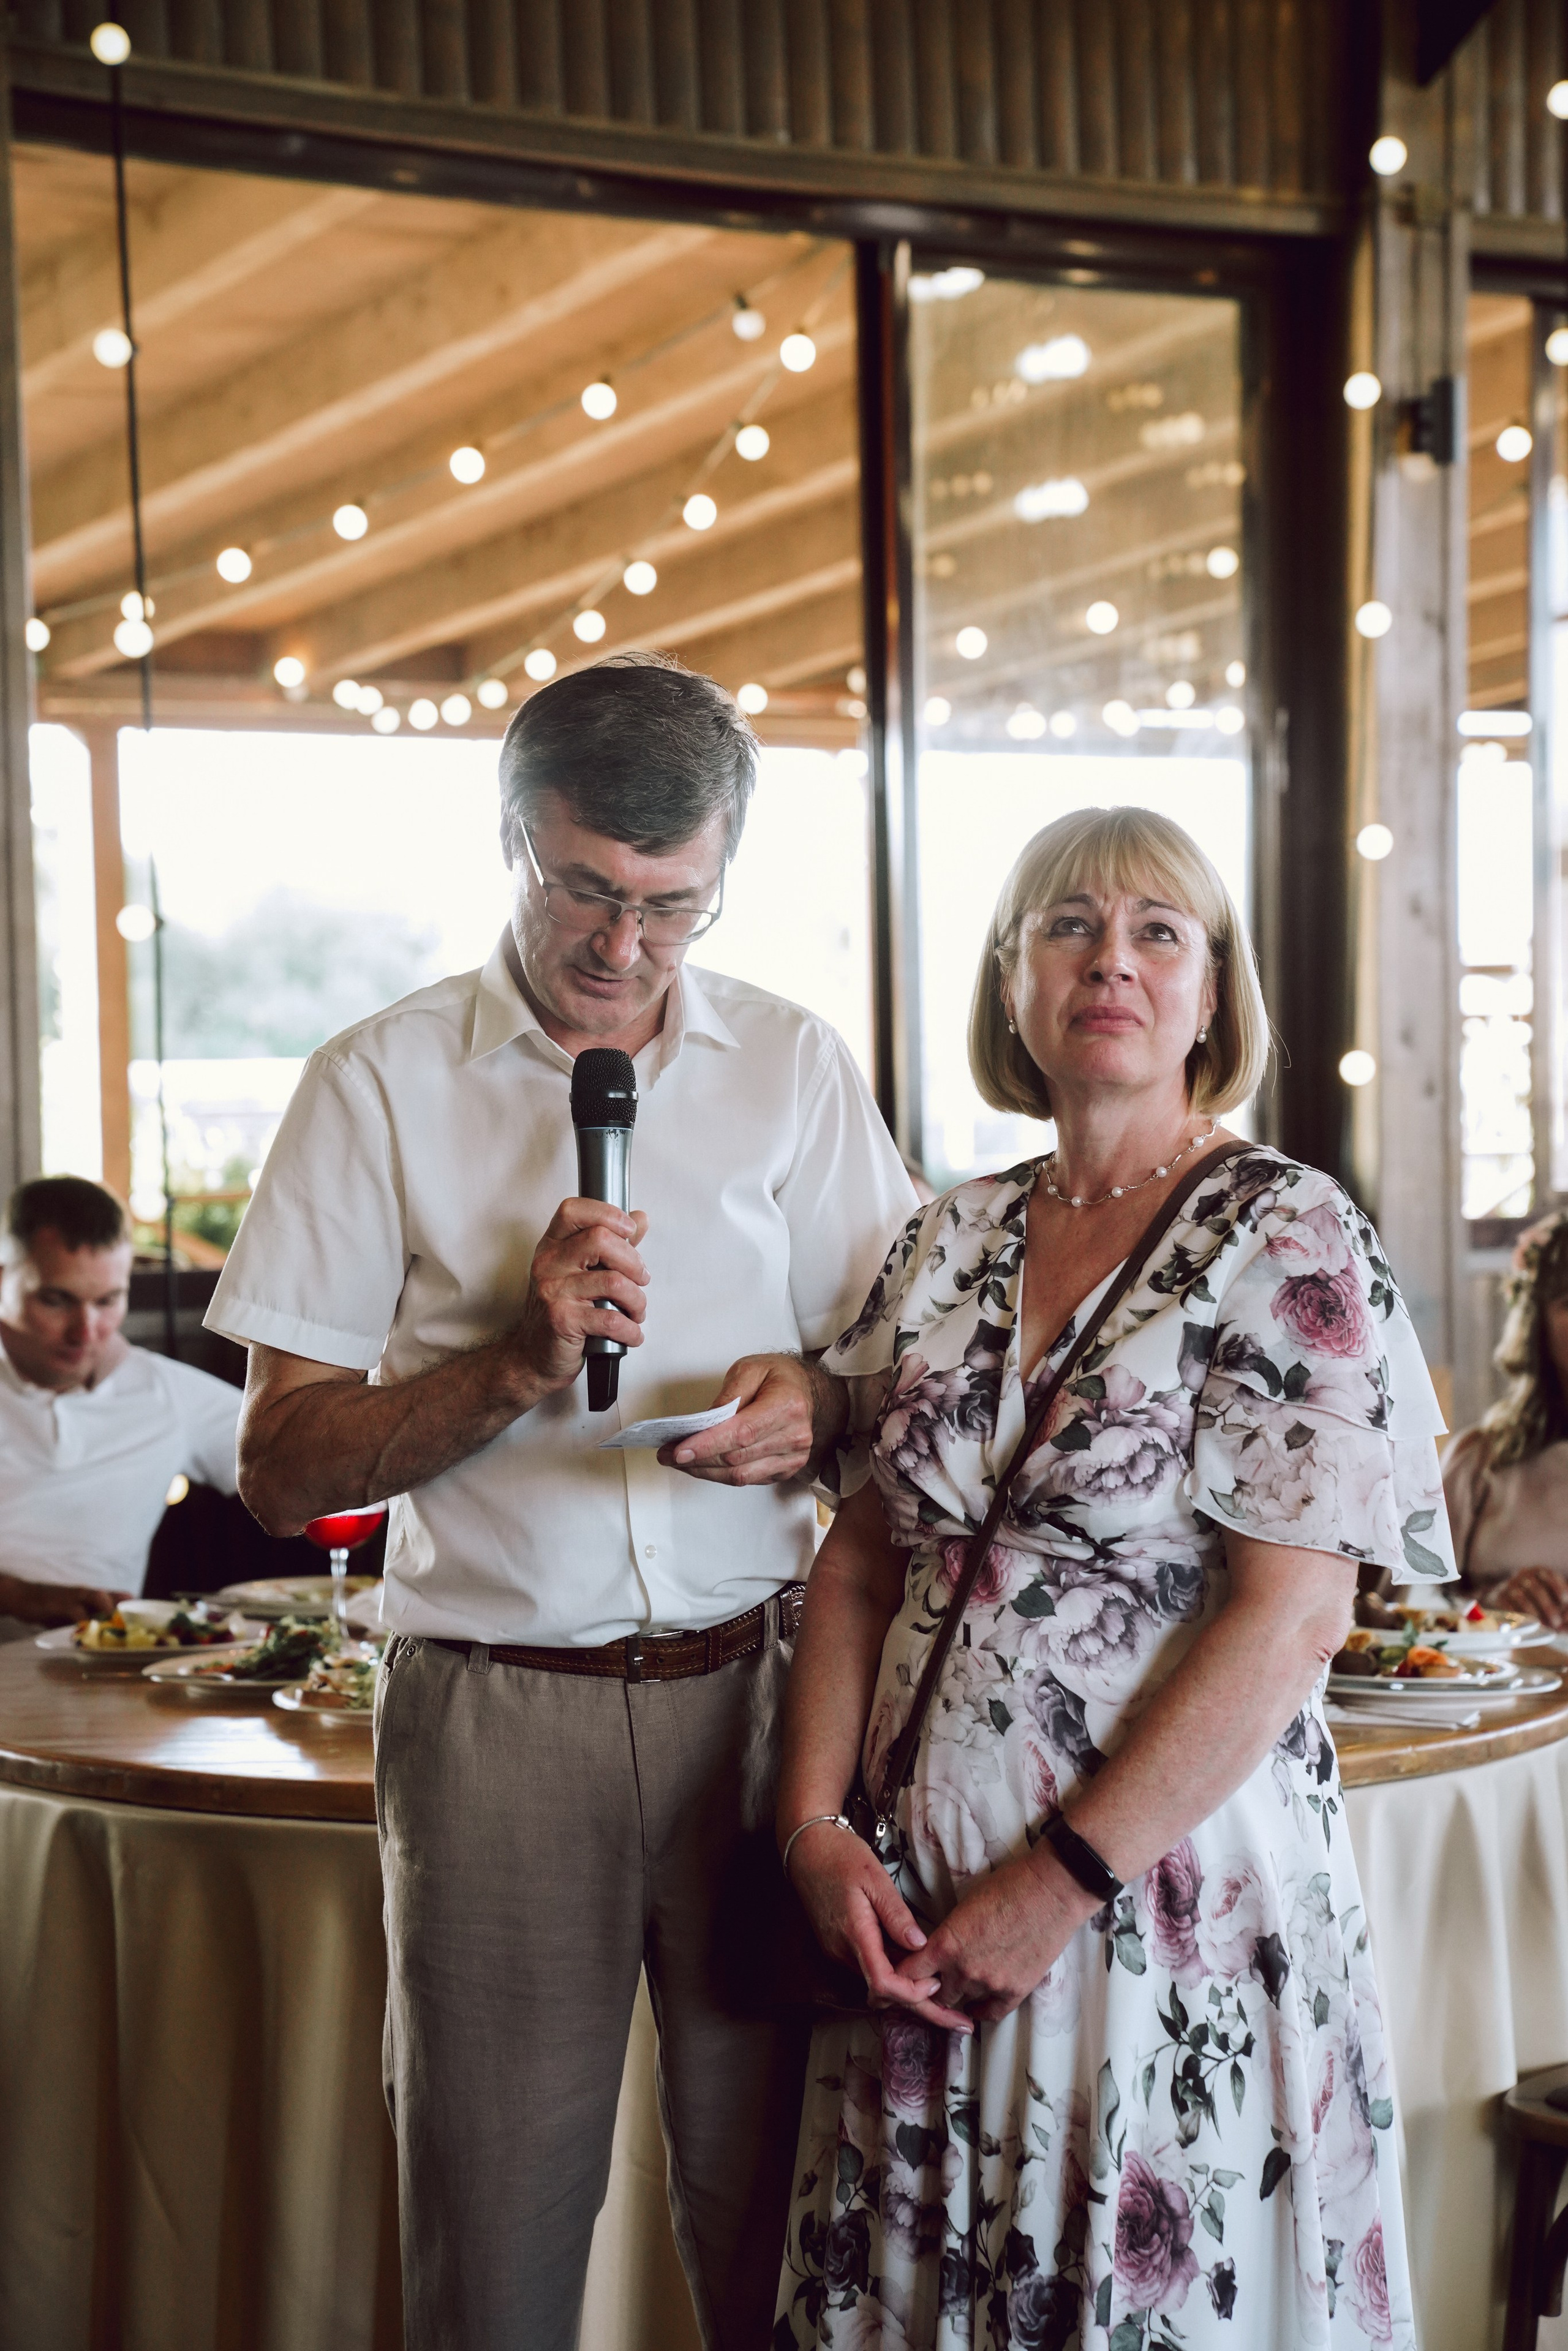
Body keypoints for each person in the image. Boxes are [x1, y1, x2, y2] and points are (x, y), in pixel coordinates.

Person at [208, 652, 916, 2351]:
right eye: (586, 888)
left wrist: (816, 1404)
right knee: (495, 2238)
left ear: (723, 875)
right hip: (494, 1718)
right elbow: (278, 1468)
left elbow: (909, 1374)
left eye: (675, 906)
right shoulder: (373, 1080)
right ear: (512, 840)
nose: (625, 946)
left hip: (761, 1713)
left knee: (779, 2217)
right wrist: (511, 1363)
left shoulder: (795, 1066)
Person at [774, 806, 1455, 2351]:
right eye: (1066, 925)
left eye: (1160, 932)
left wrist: (1056, 1881)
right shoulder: (939, 1239)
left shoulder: (1285, 1231)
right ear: (1009, 981)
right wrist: (812, 1827)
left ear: (1210, 996)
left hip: (1156, 1908)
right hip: (909, 1903)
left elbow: (1291, 1618)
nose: (1112, 961)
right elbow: (861, 1558)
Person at [0, 1174, 241, 1635]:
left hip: (104, 1684)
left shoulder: (169, 1393)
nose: (86, 1332)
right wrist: (20, 1598)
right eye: (56, 1301)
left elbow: (299, 1463)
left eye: (108, 1301)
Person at [1442, 1206, 1568, 1629]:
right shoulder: (1477, 1462)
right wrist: (1488, 1606)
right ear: (1537, 1324)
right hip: (1499, 1688)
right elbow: (1399, 1606)